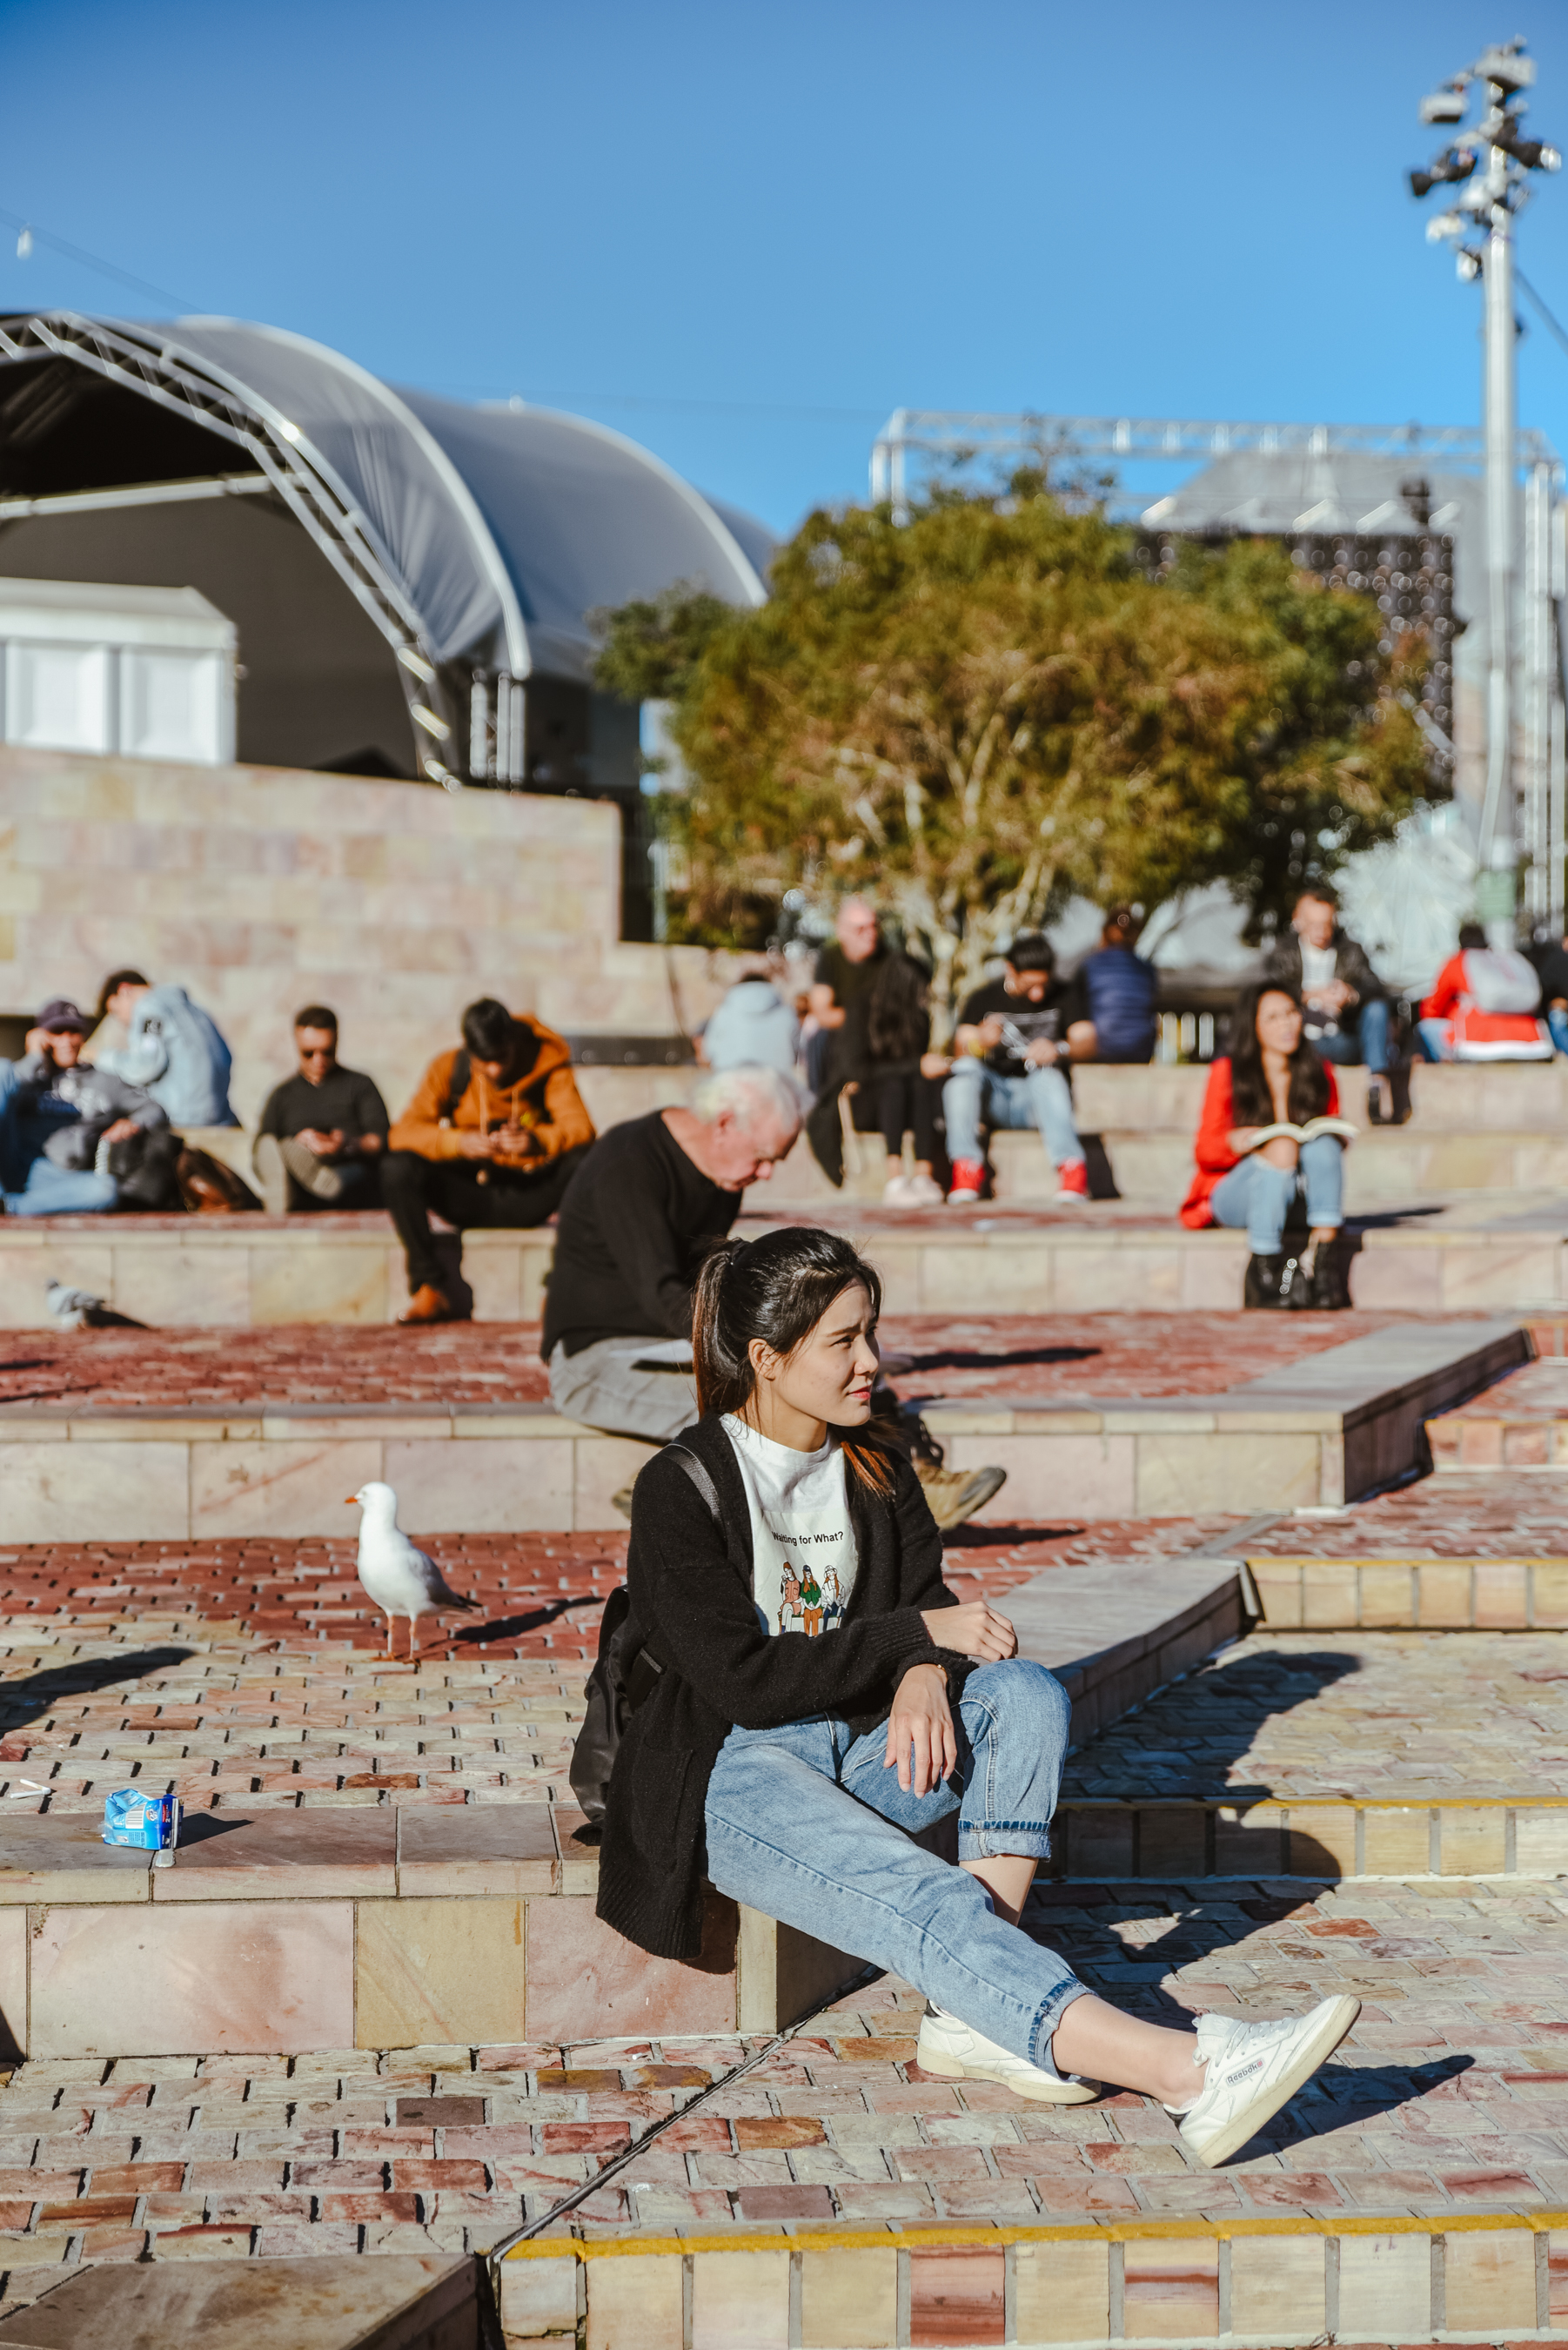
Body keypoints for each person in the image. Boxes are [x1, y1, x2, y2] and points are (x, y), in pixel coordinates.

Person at [596, 1222, 1360, 2155]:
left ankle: (967, 2019)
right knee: (925, 1898)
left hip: (861, 1744)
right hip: (732, 1769)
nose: (868, 1362)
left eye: (869, 1332)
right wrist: (914, 1640)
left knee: (1025, 1693)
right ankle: (1189, 2075)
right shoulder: (682, 1486)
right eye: (842, 1342)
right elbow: (741, 1682)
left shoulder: (873, 1460)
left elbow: (927, 1605)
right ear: (765, 1357)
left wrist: (921, 1671)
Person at [544, 1064, 804, 1442]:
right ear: (725, 1124)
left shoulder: (724, 1175)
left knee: (796, 1394)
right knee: (750, 1412)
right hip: (592, 1359)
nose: (765, 1173)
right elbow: (662, 1293)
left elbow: (707, 1278)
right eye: (763, 1156)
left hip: (668, 1349)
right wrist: (757, 1344)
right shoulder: (629, 1164)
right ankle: (664, 1493)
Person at [384, 997, 595, 1326]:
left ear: (512, 1042)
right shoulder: (448, 1068)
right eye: (485, 1062)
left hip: (528, 1189)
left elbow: (581, 1128)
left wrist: (536, 1140)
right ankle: (429, 1288)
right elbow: (401, 1133)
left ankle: (557, 1289)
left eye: (502, 1058)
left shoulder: (547, 1062)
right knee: (397, 1166)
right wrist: (457, 1143)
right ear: (469, 1051)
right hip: (470, 1191)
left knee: (588, 1159)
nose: (495, 1069)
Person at [1180, 979, 1350, 1309]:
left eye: (1290, 1013)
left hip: (1297, 1194)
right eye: (1272, 1018)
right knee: (1284, 1145)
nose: (1286, 1024)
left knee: (1324, 1145)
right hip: (1238, 1193)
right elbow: (1205, 1151)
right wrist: (1236, 1140)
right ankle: (1262, 1273)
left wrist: (1337, 1138)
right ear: (1253, 1026)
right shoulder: (1228, 1072)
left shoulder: (1319, 1070)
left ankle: (1324, 1269)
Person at [943, 934, 1090, 1205]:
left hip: (1038, 1101)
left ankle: (1072, 1170)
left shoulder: (1066, 994)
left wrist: (1059, 1048)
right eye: (1029, 985)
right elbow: (959, 1049)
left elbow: (1088, 1040)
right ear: (1010, 970)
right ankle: (966, 1168)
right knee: (963, 1072)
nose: (1038, 993)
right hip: (994, 1097)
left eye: (1043, 984)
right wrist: (979, 1044)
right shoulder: (982, 998)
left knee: (1048, 1074)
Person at [0, 998, 168, 1215]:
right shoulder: (27, 1077)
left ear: (84, 1036)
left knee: (105, 1189)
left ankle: (10, 1207)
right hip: (12, 1161)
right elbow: (5, 1083)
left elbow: (155, 1109)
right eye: (58, 1032)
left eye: (73, 1032)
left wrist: (133, 1123)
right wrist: (33, 1057)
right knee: (2, 1068)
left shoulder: (106, 1081)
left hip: (57, 1177)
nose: (67, 1040)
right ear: (41, 1037)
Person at [1263, 887, 1397, 1121]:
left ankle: (1378, 1083)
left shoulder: (1350, 950)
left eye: (1326, 924)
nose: (1321, 931)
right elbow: (1268, 990)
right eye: (1313, 924)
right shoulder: (1282, 952)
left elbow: (1376, 987)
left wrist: (1350, 994)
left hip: (1342, 1035)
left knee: (1377, 1009)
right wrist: (1309, 995)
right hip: (1299, 1038)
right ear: (1298, 920)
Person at [252, 1007, 391, 1215]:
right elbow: (264, 1145)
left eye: (327, 1051)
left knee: (356, 1175)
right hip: (300, 1181)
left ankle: (327, 1181)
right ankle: (292, 1168)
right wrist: (302, 1143)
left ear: (337, 1042)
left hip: (350, 1169)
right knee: (276, 1147)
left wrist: (347, 1144)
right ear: (297, 1043)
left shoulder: (360, 1085)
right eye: (309, 1053)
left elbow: (381, 1140)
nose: (319, 1060)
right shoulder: (282, 1095)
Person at [93, 970, 237, 1128]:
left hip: (183, 1117)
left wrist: (100, 1057)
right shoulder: (194, 1009)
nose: (121, 1021)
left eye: (116, 1011)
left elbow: (144, 1066)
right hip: (219, 1115)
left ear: (124, 990)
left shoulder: (149, 1007)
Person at [863, 950, 948, 1205]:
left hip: (910, 1101)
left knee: (921, 1081)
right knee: (896, 1084)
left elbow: (914, 1069)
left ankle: (923, 1176)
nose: (924, 994)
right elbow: (856, 1070)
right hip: (868, 1100)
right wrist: (916, 1065)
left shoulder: (919, 1019)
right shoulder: (863, 1011)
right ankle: (895, 1179)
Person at [1417, 923, 1552, 1063]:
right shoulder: (1504, 960)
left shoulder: (1458, 961)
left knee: (1425, 1027)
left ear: (1460, 944)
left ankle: (1435, 1077)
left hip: (1477, 1044)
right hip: (1533, 1042)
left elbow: (1432, 1009)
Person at [807, 896, 885, 1098]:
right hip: (843, 1031)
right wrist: (857, 1019)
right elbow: (822, 1012)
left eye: (874, 926)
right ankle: (820, 1103)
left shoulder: (889, 960)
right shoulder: (830, 958)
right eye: (861, 929)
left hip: (880, 1033)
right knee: (818, 1037)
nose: (871, 934)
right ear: (842, 932)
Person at [1072, 907, 1158, 1064]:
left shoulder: (1089, 965)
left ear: (1104, 932)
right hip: (1141, 1050)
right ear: (1135, 935)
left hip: (1101, 1050)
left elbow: (1077, 1003)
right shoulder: (1146, 969)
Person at [698, 957, 801, 1080]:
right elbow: (799, 1050)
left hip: (732, 1085)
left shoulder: (723, 1013)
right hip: (776, 1086)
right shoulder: (786, 1013)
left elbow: (708, 1053)